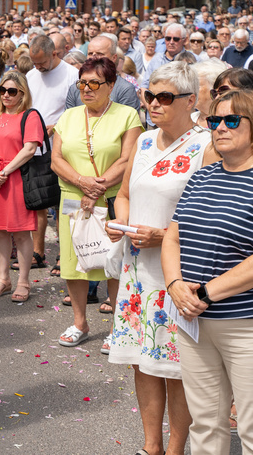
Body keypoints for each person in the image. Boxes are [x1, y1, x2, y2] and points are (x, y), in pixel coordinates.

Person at [105, 62, 215, 455]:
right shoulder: (145, 141)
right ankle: (151, 446)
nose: (154, 104)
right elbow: (124, 195)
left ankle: (176, 447)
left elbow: (209, 216)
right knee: (142, 361)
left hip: (179, 270)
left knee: (175, 368)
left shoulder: (206, 144)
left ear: (190, 101)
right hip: (137, 270)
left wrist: (165, 235)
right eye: (149, 96)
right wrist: (120, 222)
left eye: (164, 97)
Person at [163, 89, 253, 453]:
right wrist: (174, 285)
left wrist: (205, 292)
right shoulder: (202, 176)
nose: (220, 128)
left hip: (244, 324)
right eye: (214, 120)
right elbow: (173, 237)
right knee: (205, 425)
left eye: (232, 120)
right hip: (194, 322)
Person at [51, 57, 141, 351]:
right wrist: (82, 182)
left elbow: (127, 158)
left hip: (112, 198)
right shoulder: (69, 116)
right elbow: (56, 160)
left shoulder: (128, 115)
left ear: (111, 85)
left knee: (113, 262)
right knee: (74, 262)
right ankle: (80, 322)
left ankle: (118, 327)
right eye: (82, 83)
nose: (86, 89)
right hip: (73, 199)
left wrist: (96, 186)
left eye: (94, 83)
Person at [0, 71, 44, 302]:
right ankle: (4, 279)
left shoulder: (30, 115)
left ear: (22, 93)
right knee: (0, 231)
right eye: (2, 90)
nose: (6, 95)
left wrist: (4, 171)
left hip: (15, 178)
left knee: (22, 232)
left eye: (12, 91)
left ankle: (23, 281)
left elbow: (29, 148)